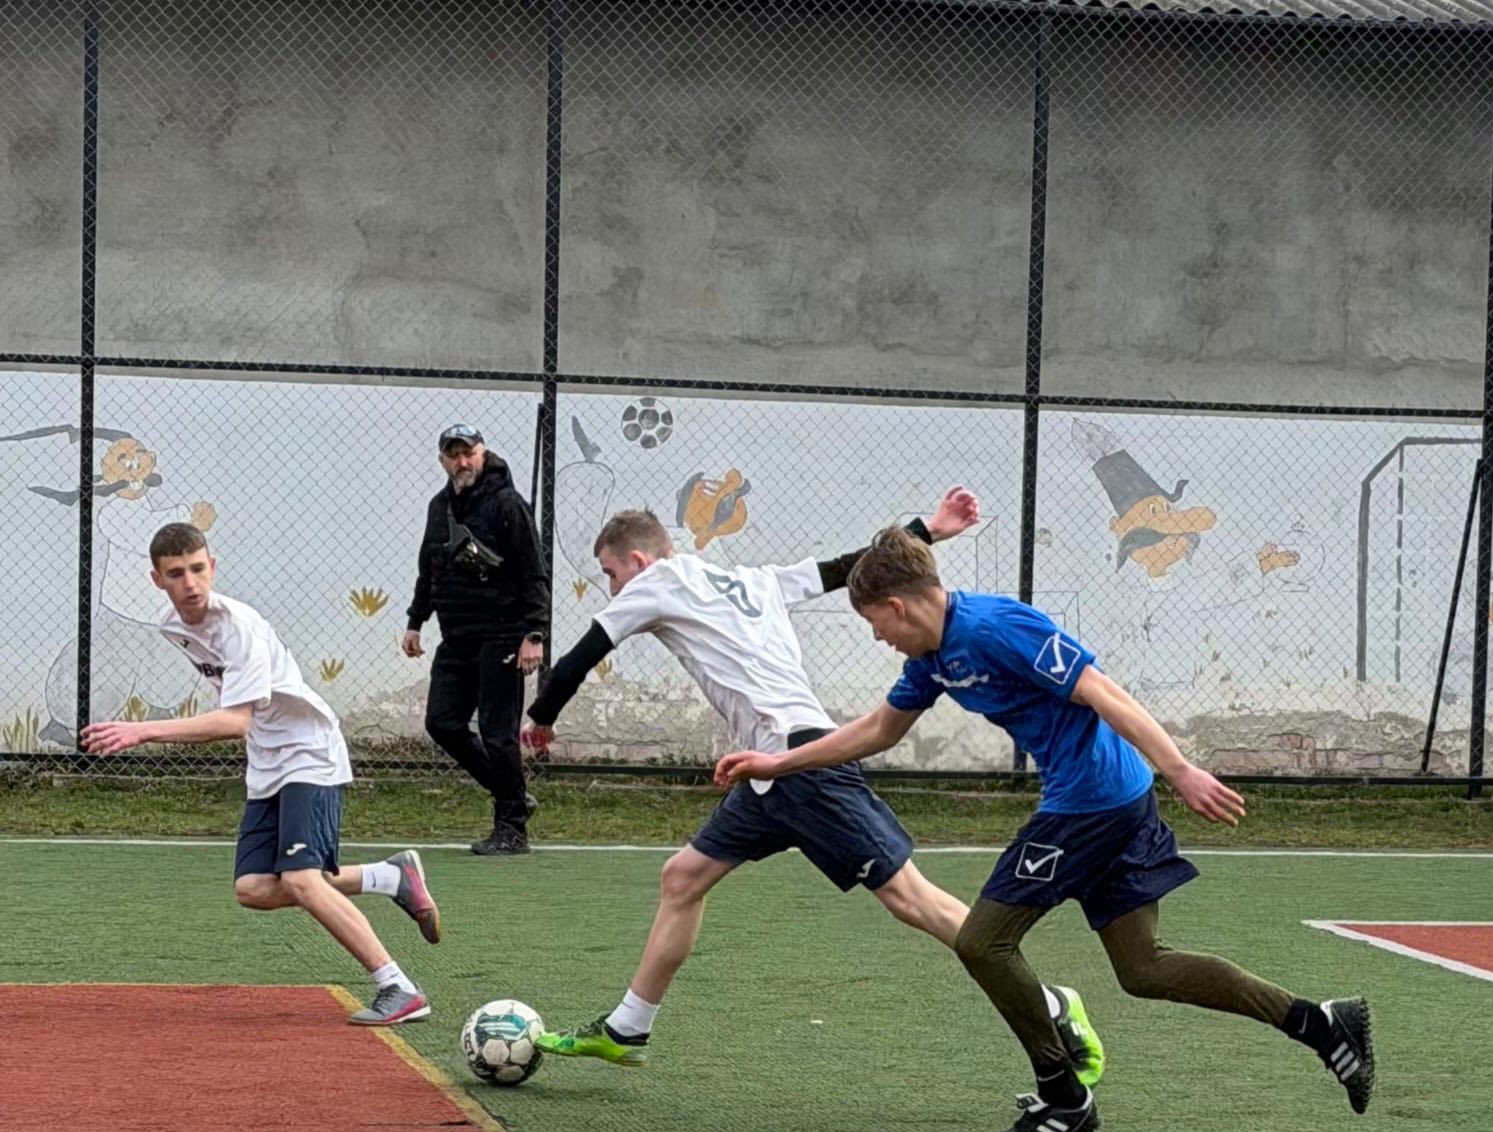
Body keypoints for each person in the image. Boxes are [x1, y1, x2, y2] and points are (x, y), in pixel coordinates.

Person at [715, 526, 1375, 1132]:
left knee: (982, 943)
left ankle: (1063, 1095)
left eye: (874, 624)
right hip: (1106, 799)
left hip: (1092, 805)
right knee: (1143, 969)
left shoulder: (995, 627)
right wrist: (778, 762)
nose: (878, 638)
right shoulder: (932, 658)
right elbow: (879, 730)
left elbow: (1102, 692)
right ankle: (1321, 1024)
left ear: (896, 606)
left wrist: (1179, 769)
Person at [522, 492, 1105, 1085]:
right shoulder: (752, 579)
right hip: (769, 771)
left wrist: (541, 718)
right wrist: (927, 528)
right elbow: (848, 567)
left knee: (913, 900)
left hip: (803, 768)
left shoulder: (654, 584)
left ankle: (1051, 1004)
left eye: (610, 573)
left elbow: (580, 656)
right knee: (683, 878)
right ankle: (628, 1028)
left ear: (640, 561)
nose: (612, 587)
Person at [83, 522, 440, 1026]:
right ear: (157, 580)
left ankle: (398, 987)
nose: (190, 582)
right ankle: (389, 876)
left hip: (308, 752)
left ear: (213, 567)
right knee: (252, 888)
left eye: (198, 569)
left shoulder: (240, 626)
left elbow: (235, 721)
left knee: (301, 879)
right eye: (176, 573)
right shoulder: (174, 626)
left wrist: (142, 731)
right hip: (268, 760)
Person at [404, 424, 549, 856]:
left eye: (468, 453)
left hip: (503, 633)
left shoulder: (508, 504)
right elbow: (429, 567)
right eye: (453, 454)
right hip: (457, 636)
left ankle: (511, 828)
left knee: (498, 733)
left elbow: (534, 572)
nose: (462, 462)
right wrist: (415, 621)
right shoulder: (439, 507)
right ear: (442, 461)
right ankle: (513, 793)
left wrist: (534, 633)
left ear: (482, 453)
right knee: (442, 723)